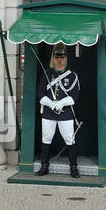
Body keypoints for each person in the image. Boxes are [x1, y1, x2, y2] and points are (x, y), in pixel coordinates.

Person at [36, 43, 81, 178]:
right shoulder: (47, 74)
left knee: (69, 139)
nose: (59, 60)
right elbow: (40, 93)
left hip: (65, 114)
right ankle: (44, 166)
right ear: (53, 58)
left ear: (66, 58)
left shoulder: (72, 76)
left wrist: (61, 103)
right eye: (56, 57)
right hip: (49, 113)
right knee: (46, 138)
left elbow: (74, 97)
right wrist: (50, 103)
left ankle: (73, 167)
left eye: (62, 57)